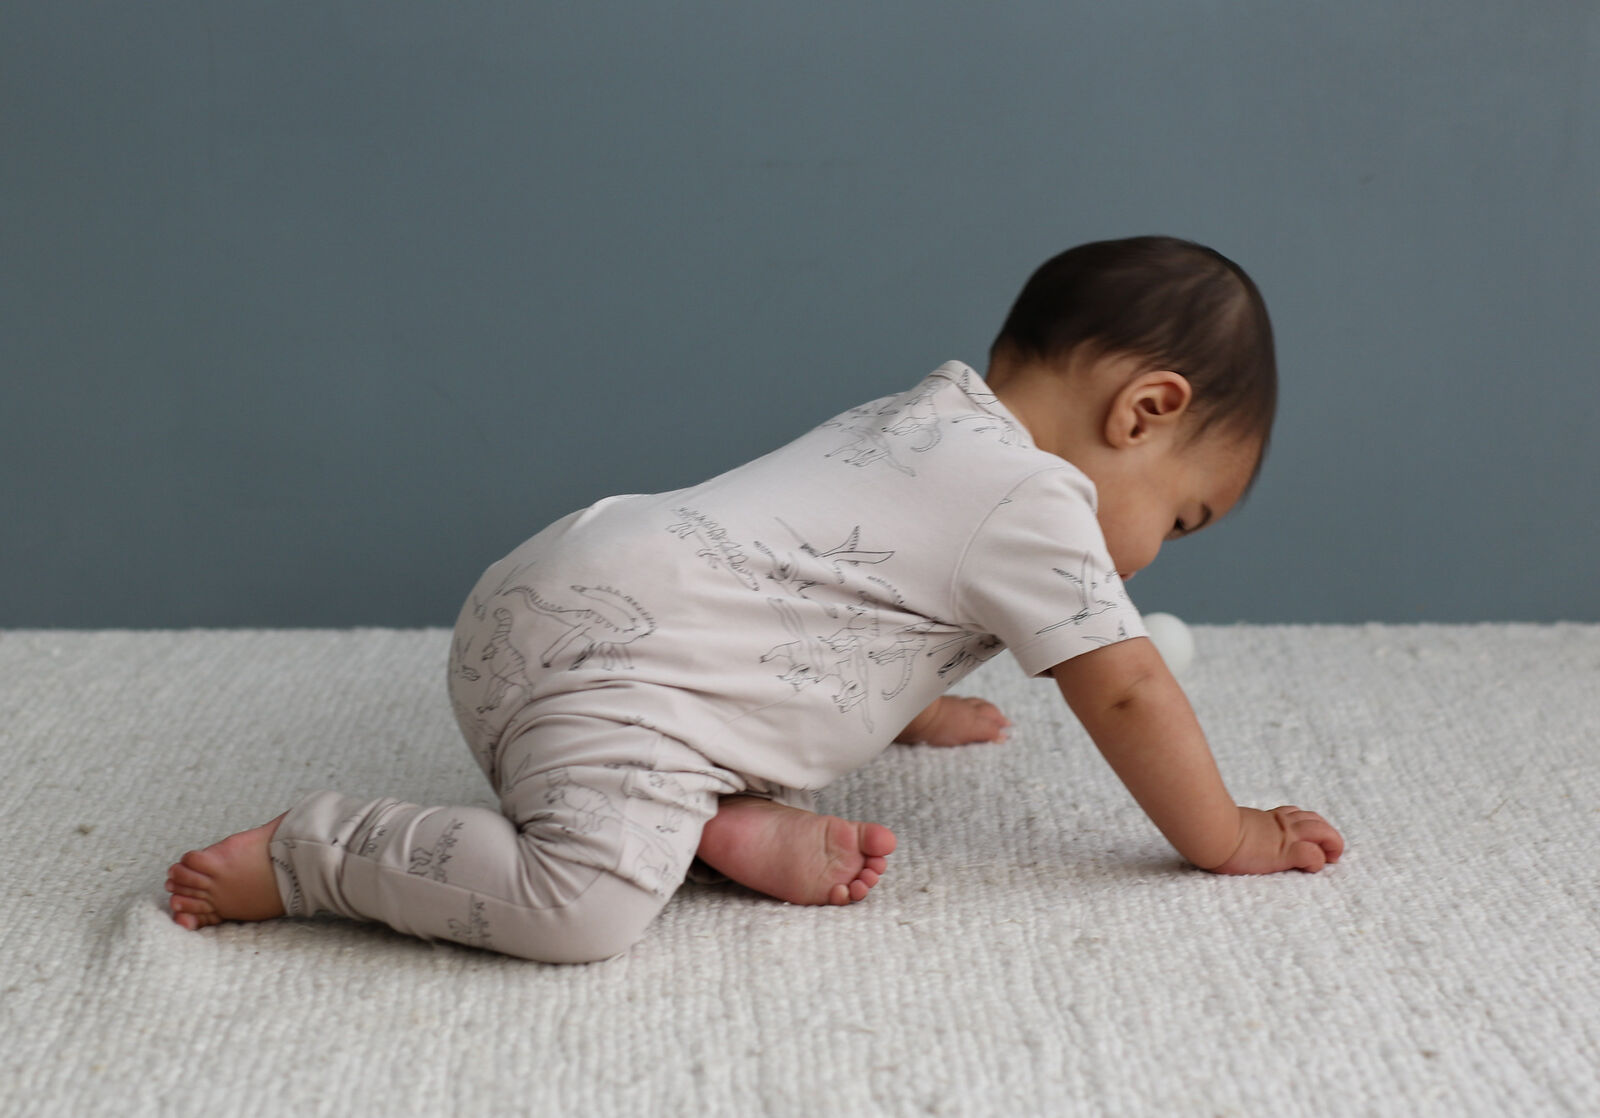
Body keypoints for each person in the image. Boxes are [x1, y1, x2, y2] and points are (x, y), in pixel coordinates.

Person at [166, 236, 1344, 963]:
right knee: (582, 908)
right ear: (1145, 409)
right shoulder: (1037, 500)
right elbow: (1128, 686)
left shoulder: (930, 419)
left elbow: (825, 596)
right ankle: (316, 853)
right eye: (1180, 517)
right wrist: (1226, 832)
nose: (1152, 556)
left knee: (760, 726)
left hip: (558, 605)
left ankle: (721, 825)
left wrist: (913, 705)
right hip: (617, 664)